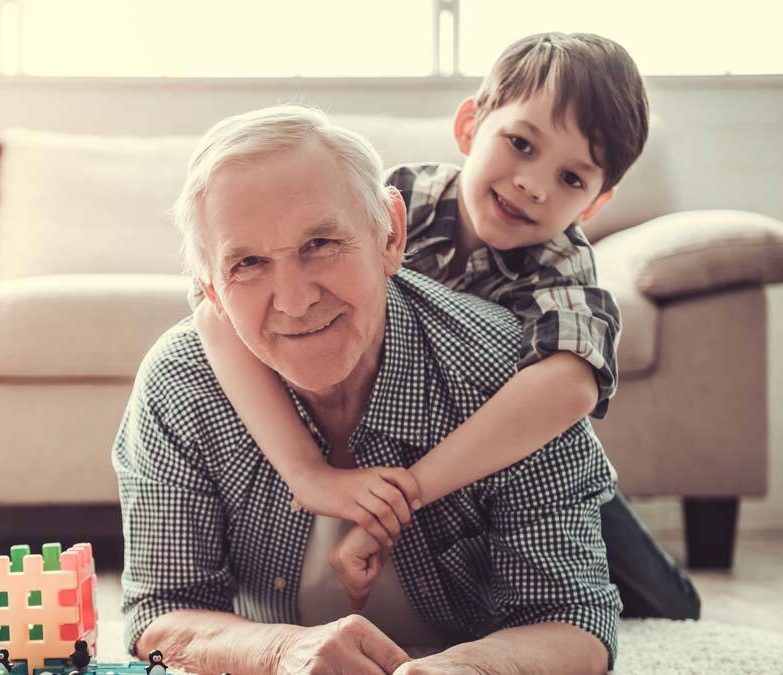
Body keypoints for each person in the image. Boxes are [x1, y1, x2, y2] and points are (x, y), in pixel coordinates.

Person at [194, 32, 701, 618]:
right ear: (469, 126)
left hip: (522, 460)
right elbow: (213, 313)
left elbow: (570, 387)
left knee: (662, 602)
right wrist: (305, 473)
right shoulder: (401, 198)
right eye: (521, 144)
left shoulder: (562, 263)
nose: (533, 184)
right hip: (402, 431)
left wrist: (410, 492)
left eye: (571, 179)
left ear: (592, 206)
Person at [113, 103, 621, 674]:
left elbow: (574, 618)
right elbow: (159, 614)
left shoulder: (512, 381)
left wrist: (468, 669)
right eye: (248, 262)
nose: (296, 302)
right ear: (211, 289)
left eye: (320, 243)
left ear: (391, 235)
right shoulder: (180, 387)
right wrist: (279, 652)